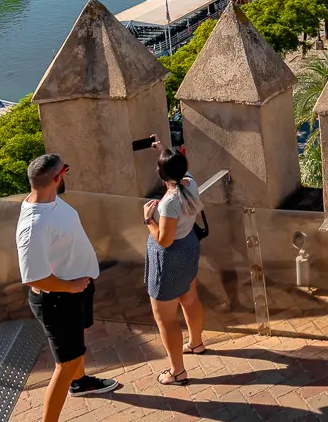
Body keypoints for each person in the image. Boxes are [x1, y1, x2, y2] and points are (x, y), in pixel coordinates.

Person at [17, 154, 120, 421]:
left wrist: (78, 285)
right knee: (66, 363)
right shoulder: (34, 225)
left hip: (76, 289)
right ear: (57, 178)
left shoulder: (50, 200)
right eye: (65, 170)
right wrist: (69, 287)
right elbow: (32, 277)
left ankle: (80, 383)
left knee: (78, 342)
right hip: (58, 300)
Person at [143, 139, 207, 386]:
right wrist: (163, 151)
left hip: (170, 258)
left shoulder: (170, 201)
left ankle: (177, 372)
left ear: (161, 174)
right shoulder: (190, 182)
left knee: (165, 319)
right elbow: (178, 169)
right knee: (189, 299)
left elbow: (164, 240)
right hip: (189, 246)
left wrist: (148, 220)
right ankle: (196, 343)